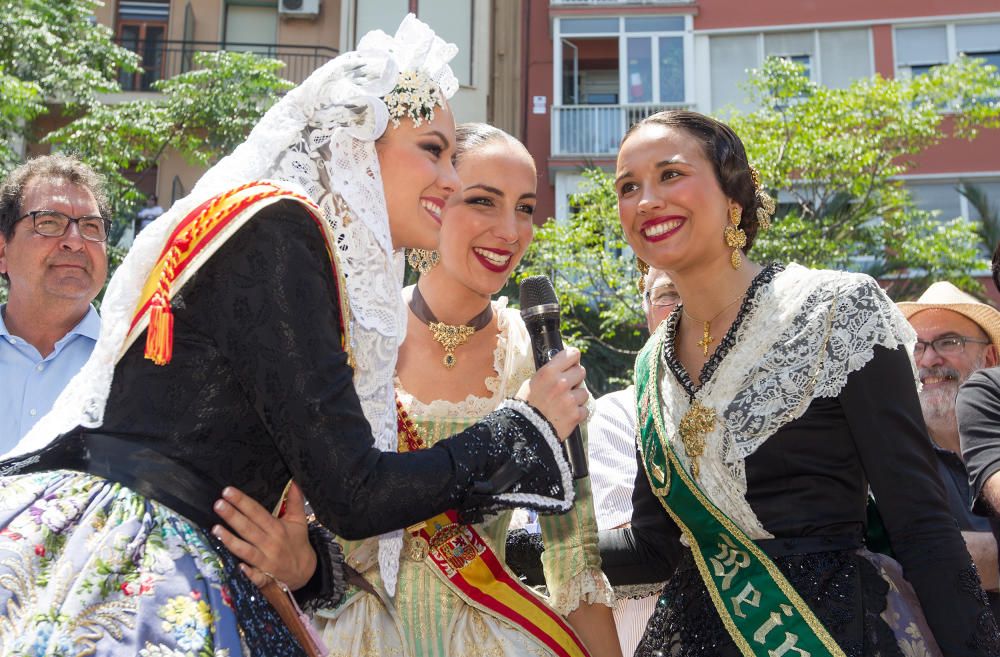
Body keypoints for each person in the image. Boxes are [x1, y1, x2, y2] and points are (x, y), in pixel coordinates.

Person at [0, 17, 586, 657]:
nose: (449, 179)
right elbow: (355, 494)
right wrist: (524, 427)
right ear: (357, 143)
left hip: (178, 545)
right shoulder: (282, 227)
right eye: (433, 150)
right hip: (140, 555)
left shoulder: (290, 233)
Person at [596, 109, 999, 656]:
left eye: (670, 175)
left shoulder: (837, 310)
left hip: (830, 633)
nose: (645, 200)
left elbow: (922, 529)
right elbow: (653, 548)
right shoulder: (650, 365)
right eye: (627, 186)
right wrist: (527, 540)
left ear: (731, 196)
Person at [214, 123, 621, 657]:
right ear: (436, 200)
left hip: (492, 638)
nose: (510, 230)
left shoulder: (535, 356)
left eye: (525, 207)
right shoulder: (349, 337)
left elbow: (575, 557)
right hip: (353, 634)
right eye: (483, 201)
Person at [586, 265, 675, 657]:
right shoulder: (620, 412)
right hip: (645, 632)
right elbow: (625, 539)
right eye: (667, 293)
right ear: (647, 310)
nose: (684, 305)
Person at [896, 281, 1000, 615]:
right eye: (916, 345)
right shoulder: (894, 453)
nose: (928, 359)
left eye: (948, 341)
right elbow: (921, 563)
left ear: (990, 357)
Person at [0, 155, 107, 451]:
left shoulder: (139, 365)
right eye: (49, 222)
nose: (75, 241)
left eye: (91, 227)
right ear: (2, 251)